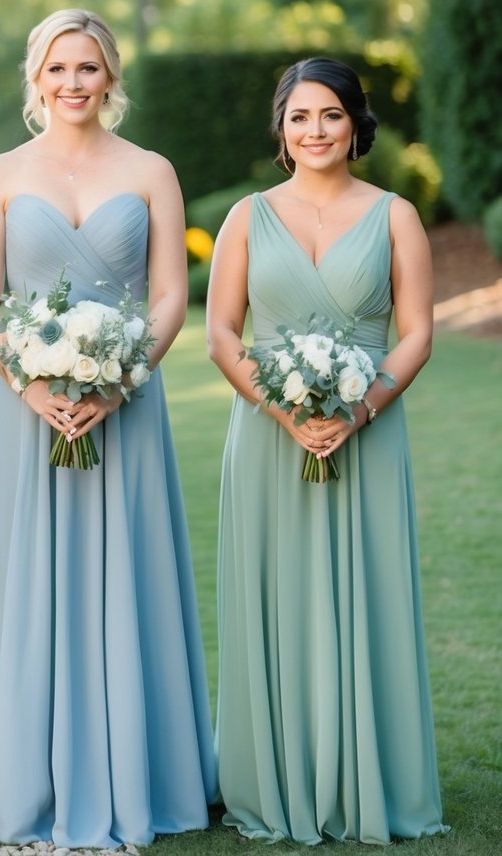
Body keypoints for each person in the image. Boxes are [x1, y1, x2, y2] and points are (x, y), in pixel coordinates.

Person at [0, 8, 216, 849]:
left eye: (87, 68)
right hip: (24, 413)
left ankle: (140, 775)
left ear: (110, 76)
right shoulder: (0, 174)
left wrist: (124, 376)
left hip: (125, 410)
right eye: (57, 68)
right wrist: (26, 382)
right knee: (29, 579)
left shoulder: (151, 171)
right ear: (35, 78)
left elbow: (170, 294)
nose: (72, 83)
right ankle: (27, 782)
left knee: (126, 575)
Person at [207, 57, 447, 844]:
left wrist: (363, 407)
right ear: (280, 128)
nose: (314, 131)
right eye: (299, 117)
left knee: (367, 596)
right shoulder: (247, 215)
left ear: (355, 124)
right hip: (268, 440)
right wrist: (283, 412)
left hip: (366, 436)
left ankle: (366, 783)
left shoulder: (394, 215)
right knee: (274, 601)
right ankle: (273, 780)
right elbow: (219, 334)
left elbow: (416, 331)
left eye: (330, 116)